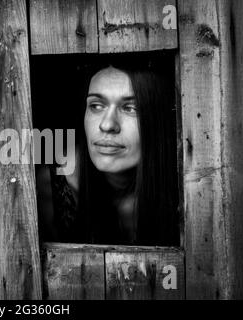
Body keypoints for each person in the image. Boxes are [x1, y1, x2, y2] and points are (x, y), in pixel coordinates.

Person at [37, 58, 179, 246]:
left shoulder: (189, 189)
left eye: (130, 108)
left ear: (158, 119)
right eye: (96, 106)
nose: (107, 124)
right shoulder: (55, 187)